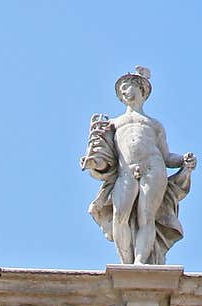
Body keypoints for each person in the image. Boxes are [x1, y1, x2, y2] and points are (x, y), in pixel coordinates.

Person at [81, 67, 196, 265]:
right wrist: (93, 161)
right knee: (119, 216)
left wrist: (184, 160)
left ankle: (140, 263)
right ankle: (127, 263)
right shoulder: (114, 123)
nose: (124, 92)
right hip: (126, 171)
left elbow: (167, 156)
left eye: (128, 87)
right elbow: (105, 158)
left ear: (141, 89)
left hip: (154, 168)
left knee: (146, 216)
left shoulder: (154, 124)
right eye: (121, 90)